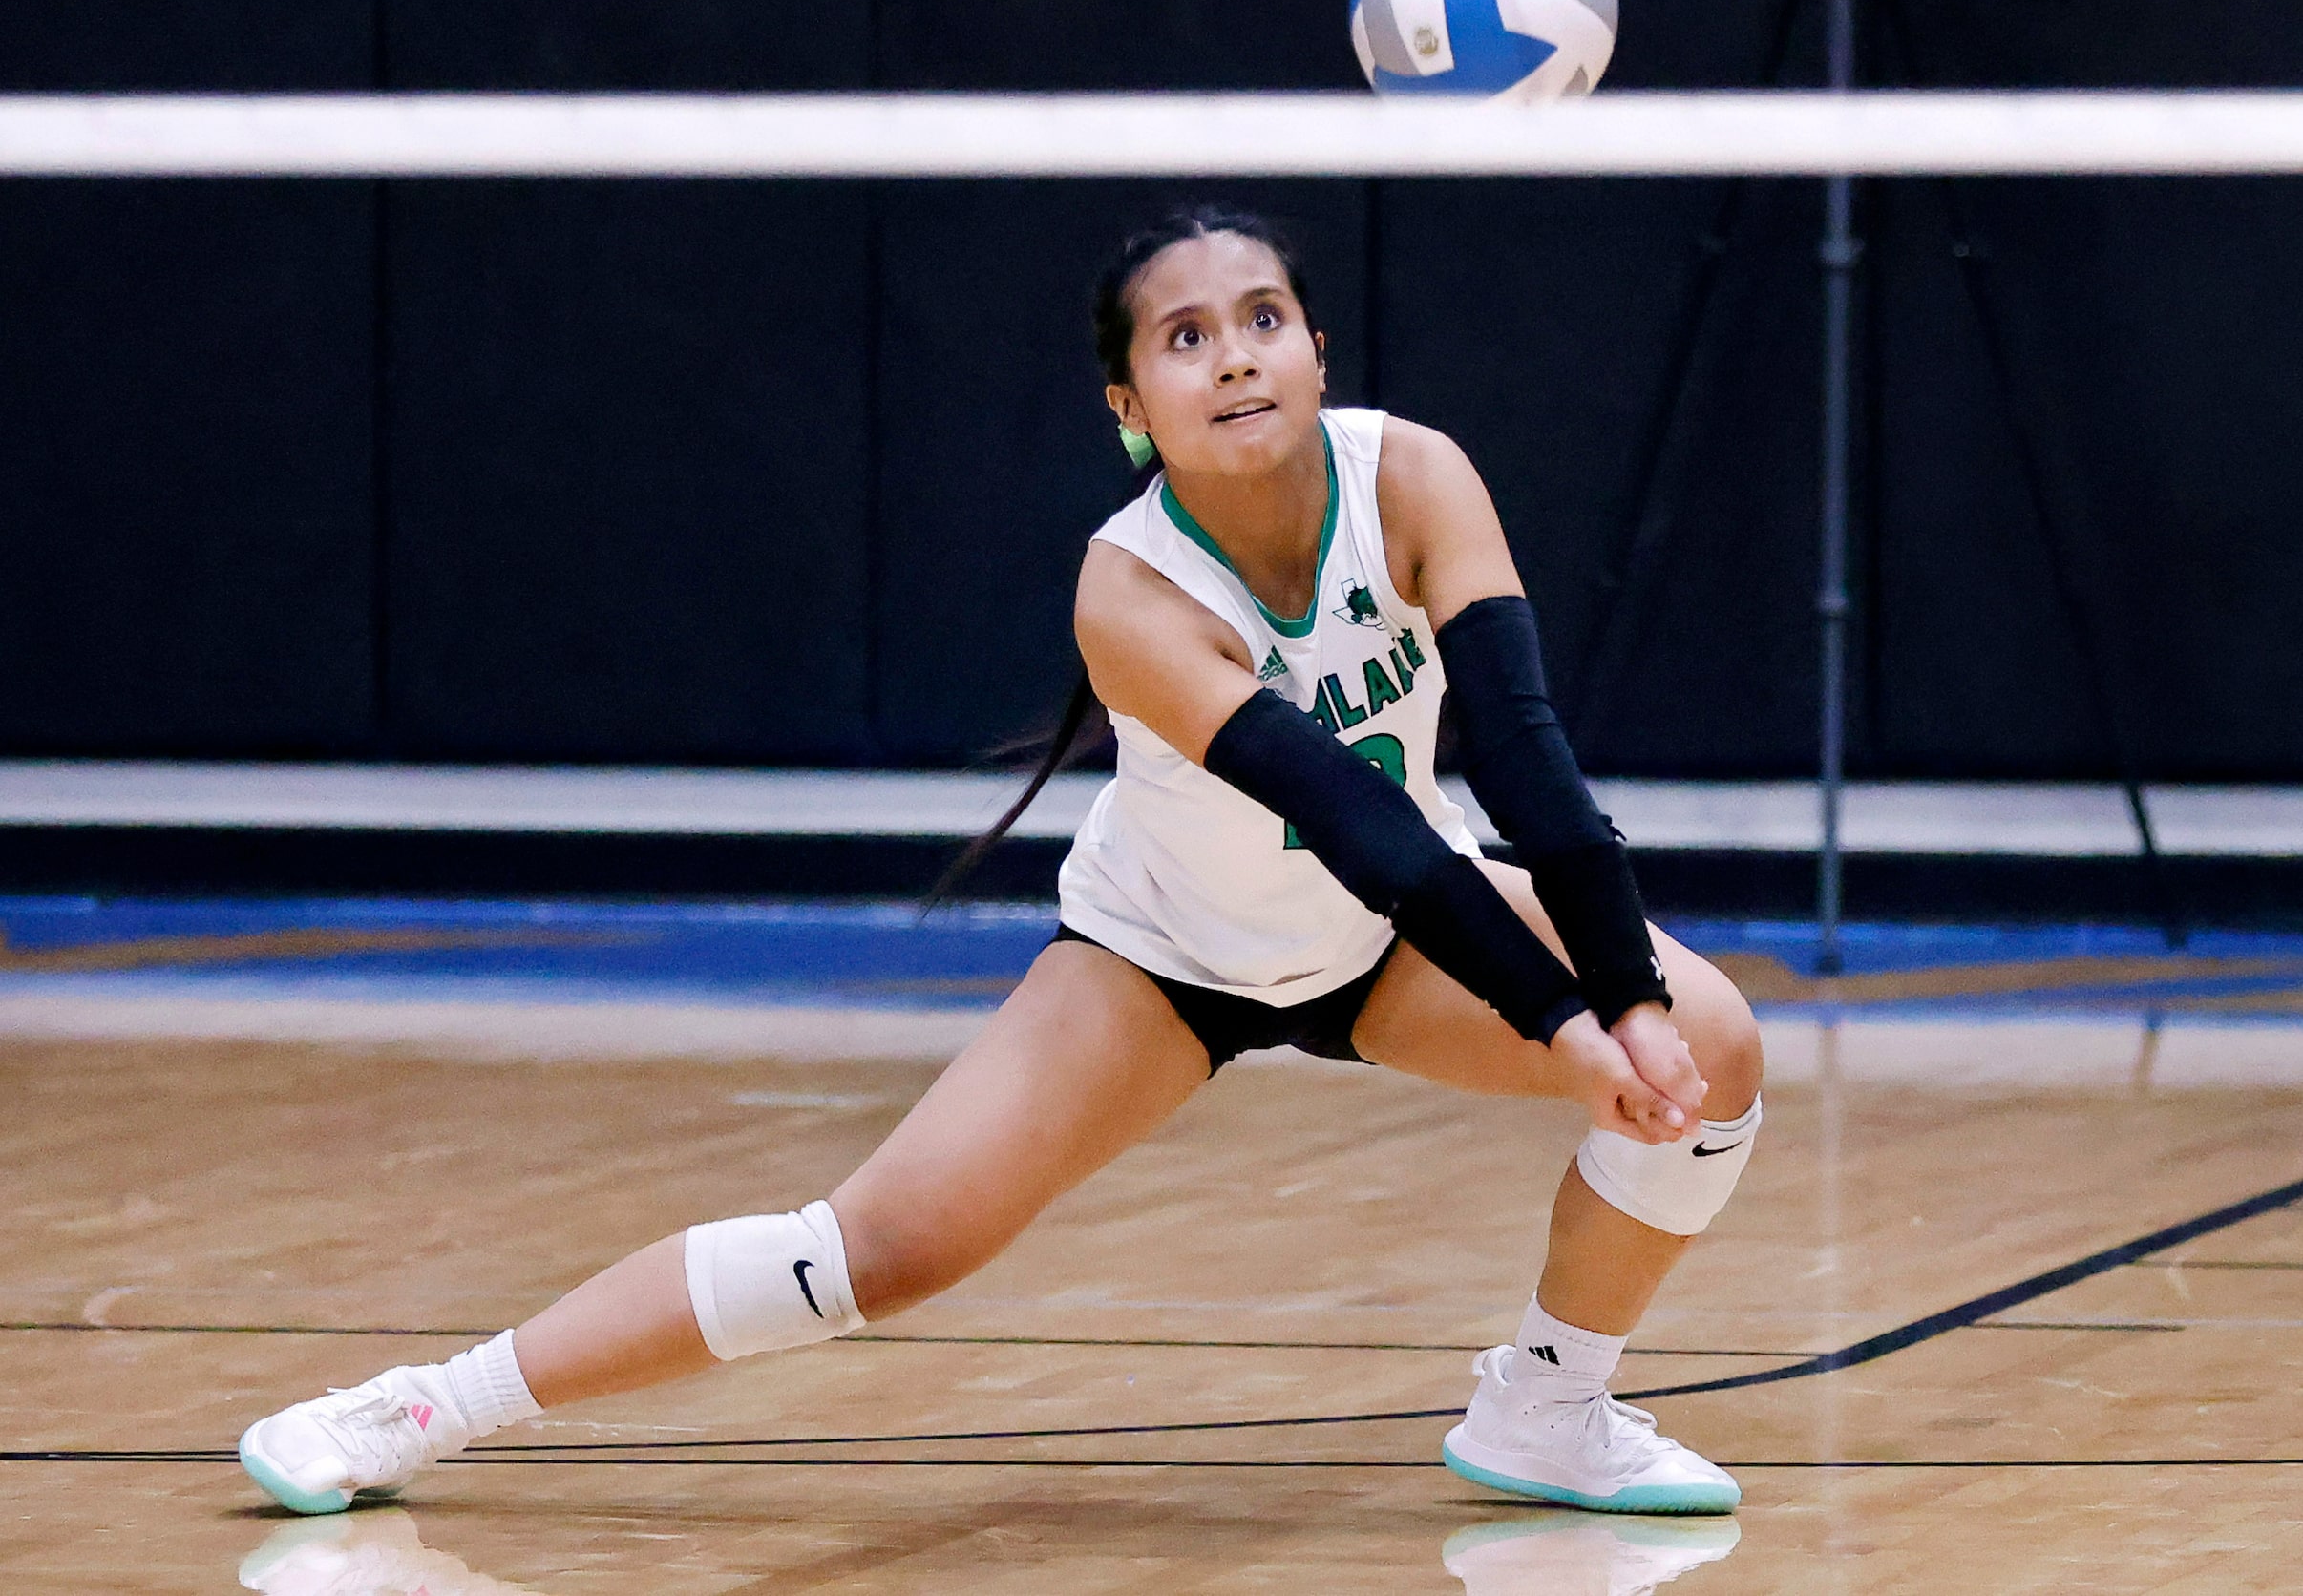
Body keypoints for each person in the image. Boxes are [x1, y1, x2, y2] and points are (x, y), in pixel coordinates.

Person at [238, 204, 1764, 1519]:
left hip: (1386, 953)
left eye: (1265, 318)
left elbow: (1529, 759)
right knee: (879, 1251)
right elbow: (1363, 830)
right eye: (1186, 338)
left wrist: (1622, 993)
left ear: (1315, 354)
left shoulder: (1415, 477)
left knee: (1713, 1047)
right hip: (1162, 965)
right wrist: (1562, 1028)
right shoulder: (1131, 591)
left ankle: (1546, 1407)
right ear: (1129, 406)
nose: (1234, 354)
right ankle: (428, 1404)